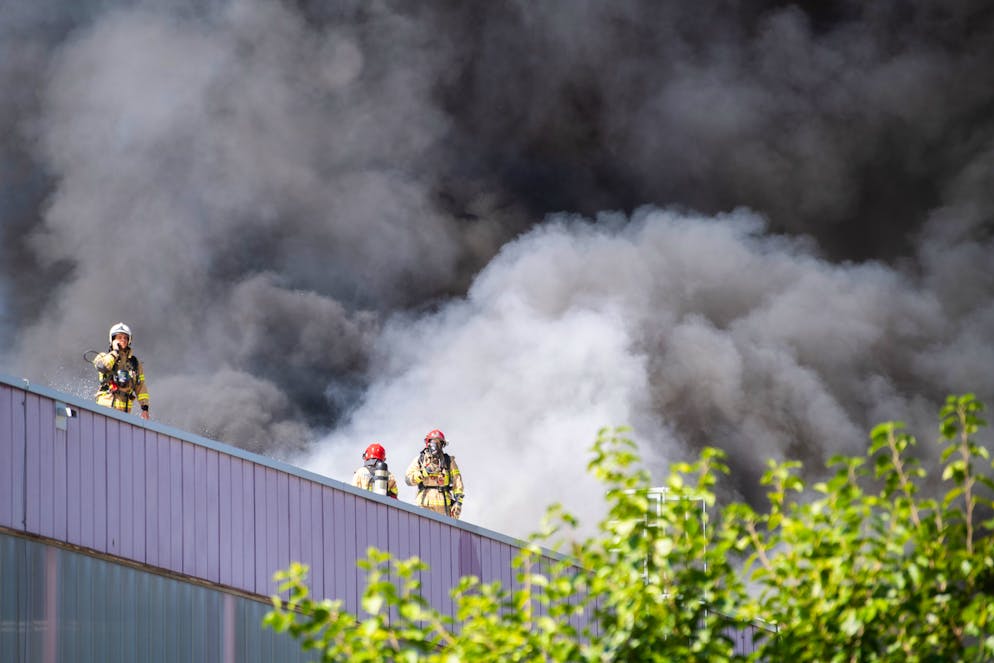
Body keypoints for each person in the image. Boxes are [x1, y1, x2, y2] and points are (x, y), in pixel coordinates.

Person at [92, 322, 150, 420]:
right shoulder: (103, 356)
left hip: (124, 413)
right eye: (119, 337)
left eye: (125, 337)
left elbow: (140, 386)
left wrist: (145, 408)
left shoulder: (135, 363)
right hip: (104, 408)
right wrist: (115, 352)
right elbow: (103, 367)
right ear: (112, 339)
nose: (123, 340)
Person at [405, 429, 464, 519]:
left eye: (439, 443)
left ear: (443, 445)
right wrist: (423, 473)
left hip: (444, 509)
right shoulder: (420, 460)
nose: (436, 446)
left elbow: (458, 484)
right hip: (424, 506)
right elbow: (408, 480)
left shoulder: (449, 461)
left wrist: (458, 503)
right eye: (433, 442)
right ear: (428, 443)